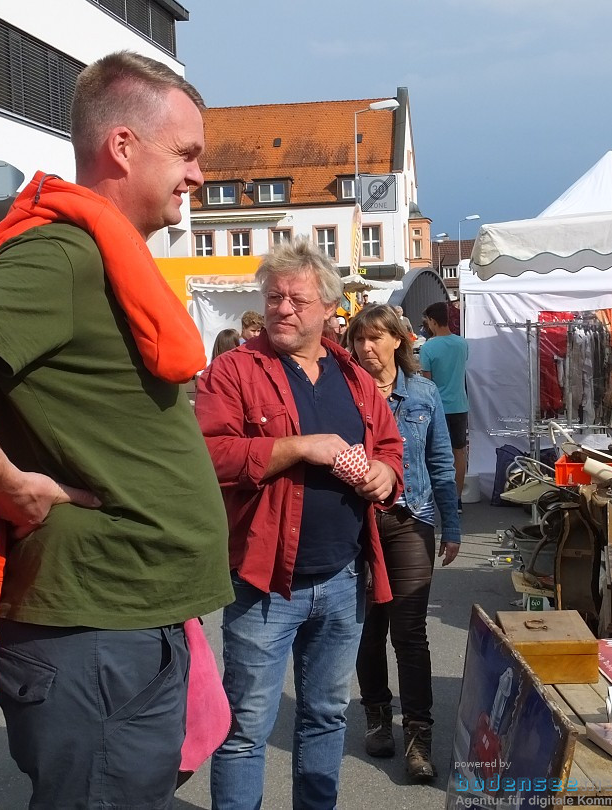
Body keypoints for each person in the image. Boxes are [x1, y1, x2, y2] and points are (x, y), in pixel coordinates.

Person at [0, 51, 231, 807]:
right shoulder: (64, 252)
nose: (197, 174)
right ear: (123, 146)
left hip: (126, 621)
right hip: (94, 629)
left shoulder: (103, 256)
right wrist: (9, 480)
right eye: (186, 153)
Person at [196, 238, 404, 810]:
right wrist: (296, 447)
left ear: (328, 309)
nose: (282, 309)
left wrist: (385, 474)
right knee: (246, 727)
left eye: (297, 300)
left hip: (342, 578)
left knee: (325, 716)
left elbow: (389, 446)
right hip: (265, 581)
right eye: (274, 297)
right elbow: (207, 456)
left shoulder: (353, 376)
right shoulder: (235, 371)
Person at [347, 305, 460, 782]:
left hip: (411, 519)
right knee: (369, 630)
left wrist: (452, 526)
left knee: (410, 632)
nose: (366, 348)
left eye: (376, 338)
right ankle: (376, 714)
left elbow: (440, 463)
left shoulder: (424, 393)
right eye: (359, 340)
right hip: (357, 525)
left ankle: (418, 734)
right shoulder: (343, 393)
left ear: (399, 340)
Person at [419, 301, 470, 507]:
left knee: (434, 454)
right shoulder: (462, 343)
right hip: (459, 405)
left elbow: (427, 382)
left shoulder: (428, 347)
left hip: (437, 407)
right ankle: (456, 499)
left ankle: (437, 498)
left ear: (432, 321)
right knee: (459, 452)